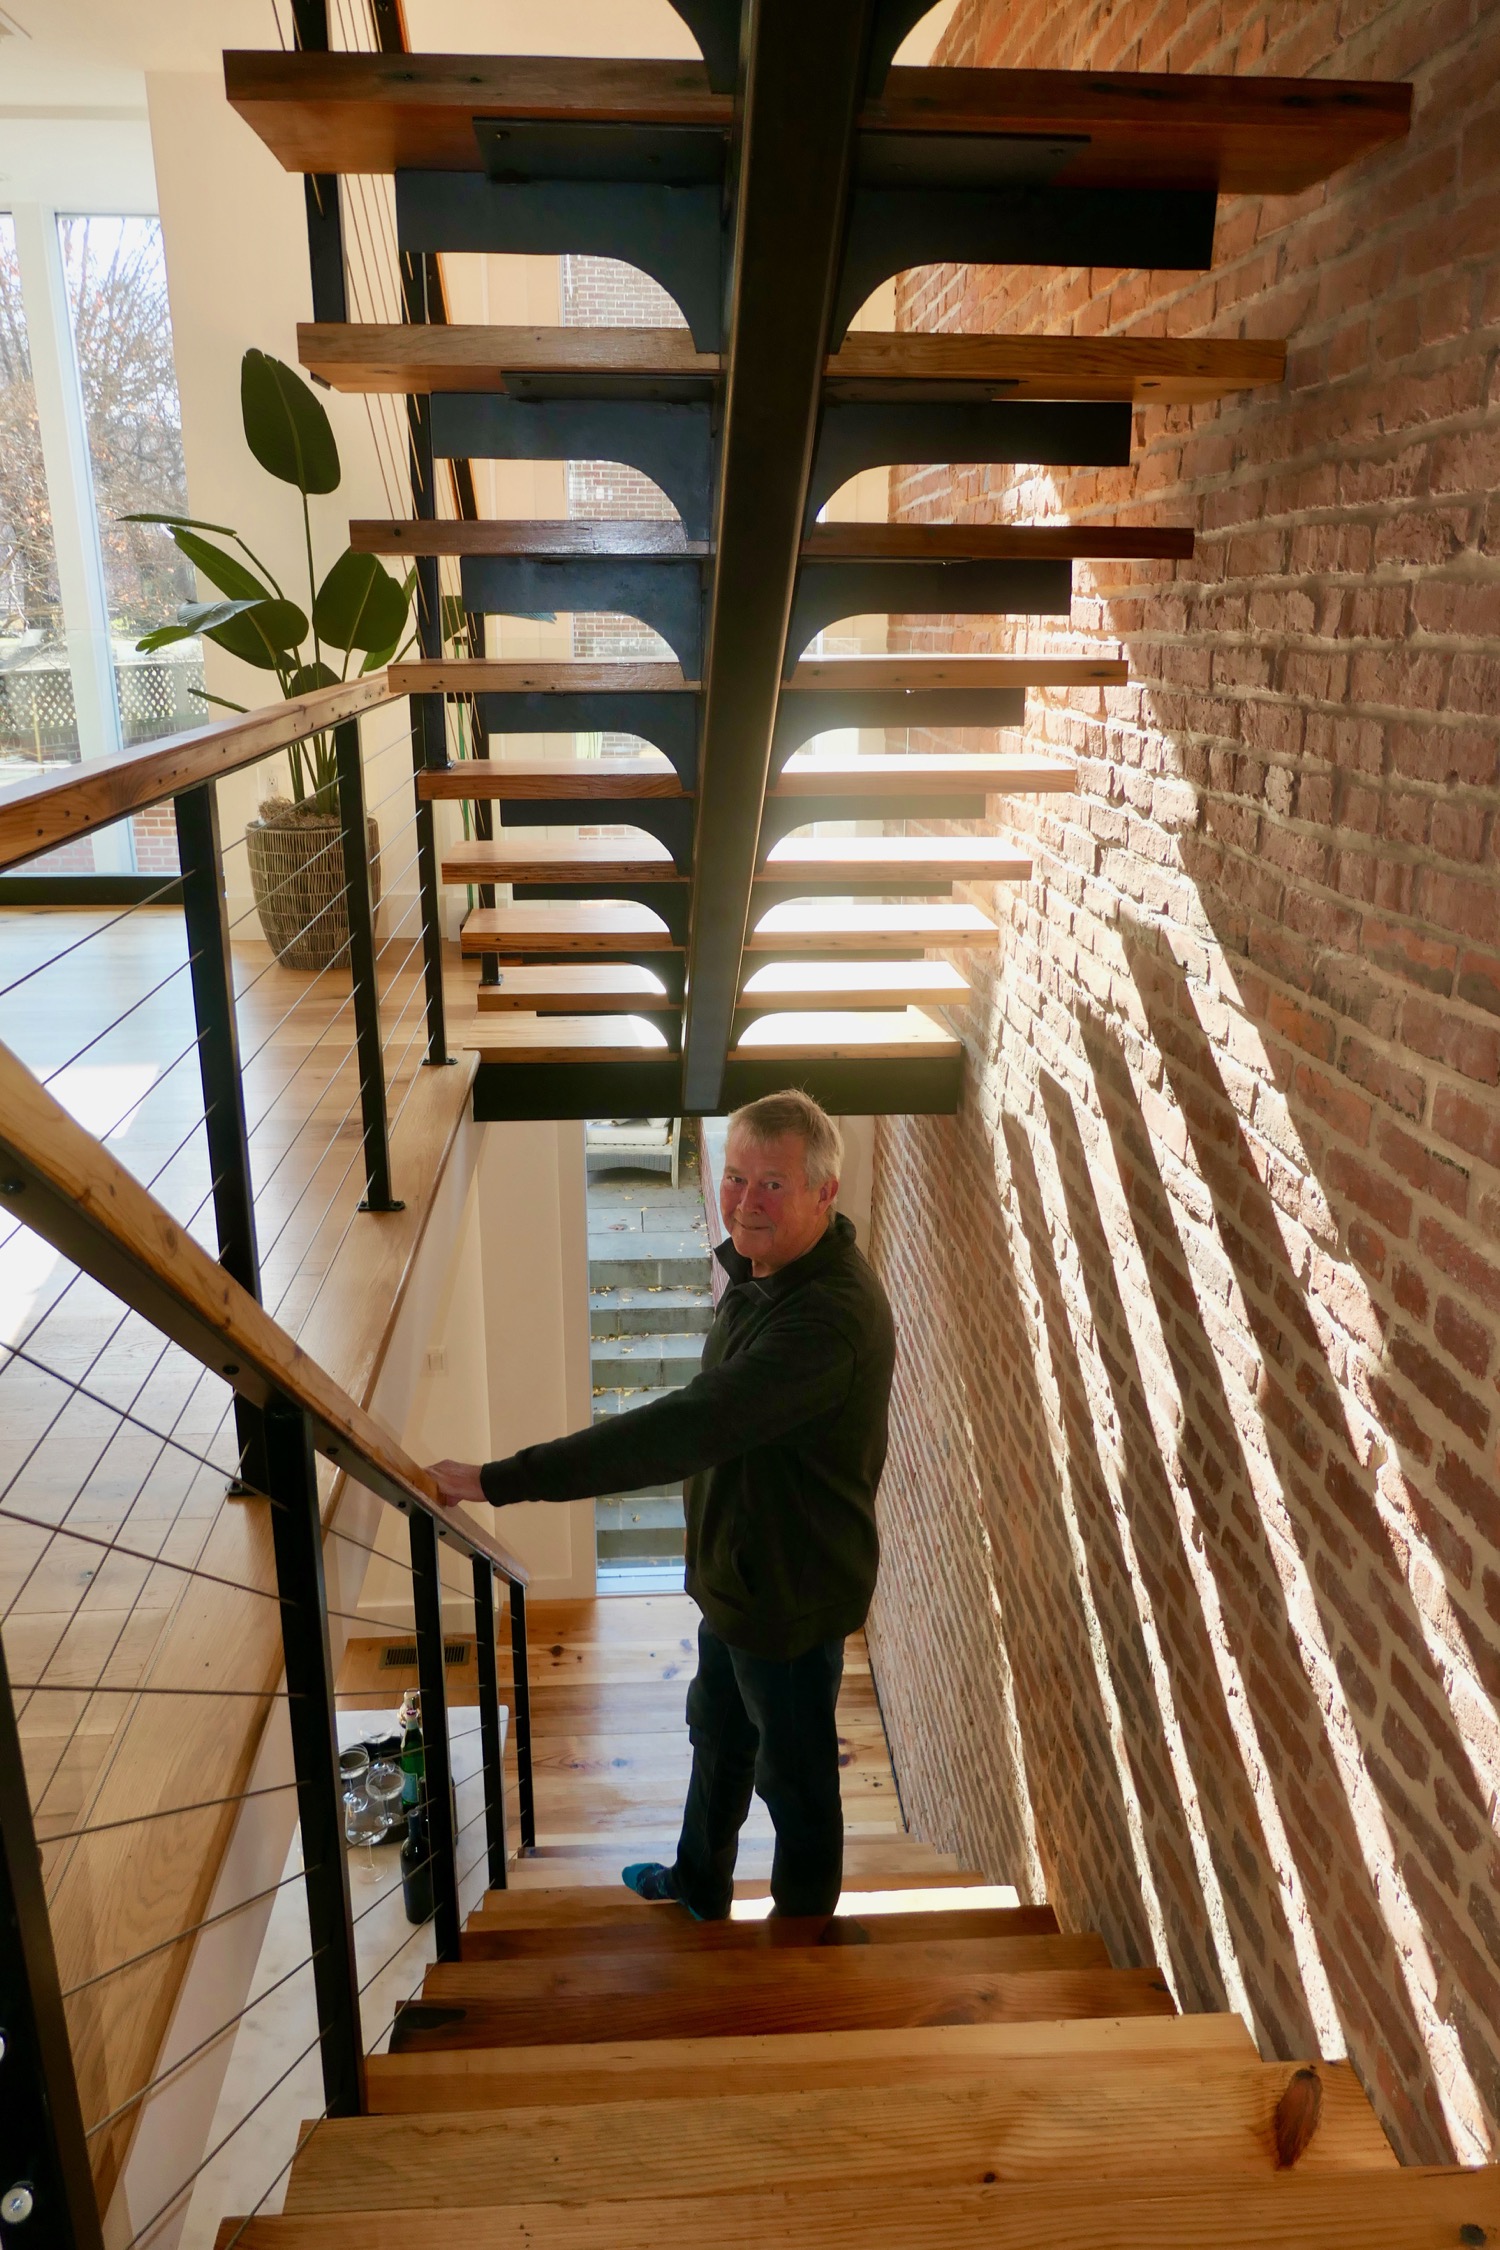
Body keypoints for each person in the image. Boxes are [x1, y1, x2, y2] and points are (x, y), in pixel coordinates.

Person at [427, 1089, 896, 1921]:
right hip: (737, 1582)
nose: (746, 1201)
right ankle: (698, 1888)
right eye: (739, 1177)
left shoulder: (823, 1324)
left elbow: (682, 1428)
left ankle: (801, 1949)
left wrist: (497, 1479)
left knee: (799, 1792)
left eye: (774, 1185)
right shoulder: (769, 1271)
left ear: (826, 1193)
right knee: (716, 1741)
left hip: (790, 1602)